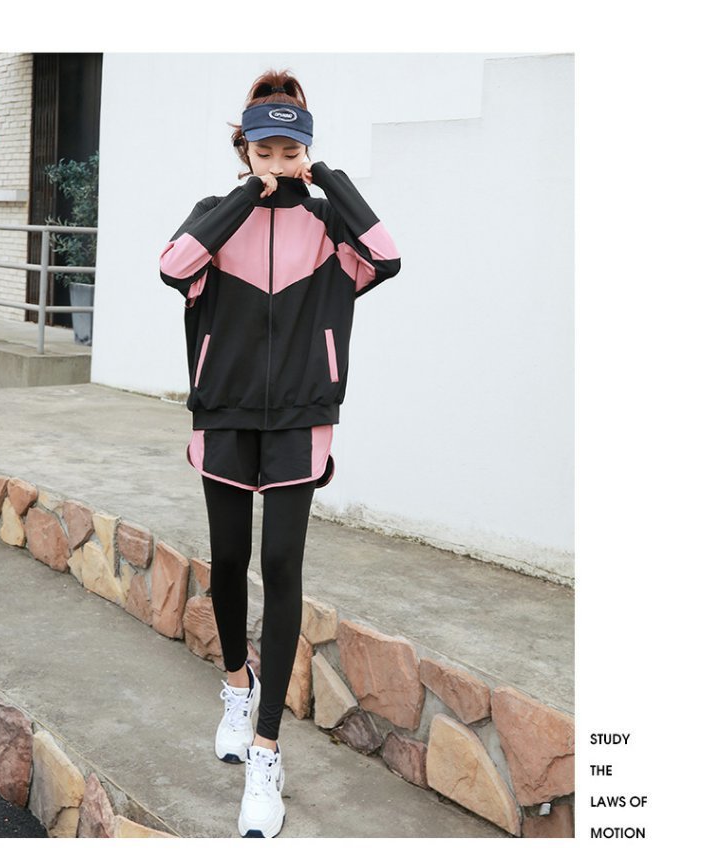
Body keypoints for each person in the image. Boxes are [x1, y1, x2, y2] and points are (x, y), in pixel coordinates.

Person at [159, 67, 401, 838]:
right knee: (230, 560)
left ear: (305, 150)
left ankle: (266, 749)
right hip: (225, 411)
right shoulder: (213, 216)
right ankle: (238, 687)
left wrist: (324, 178)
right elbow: (173, 266)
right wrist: (247, 195)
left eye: (290, 149)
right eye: (263, 148)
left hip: (301, 415)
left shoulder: (330, 225)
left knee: (282, 565)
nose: (277, 159)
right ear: (245, 148)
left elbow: (386, 255)